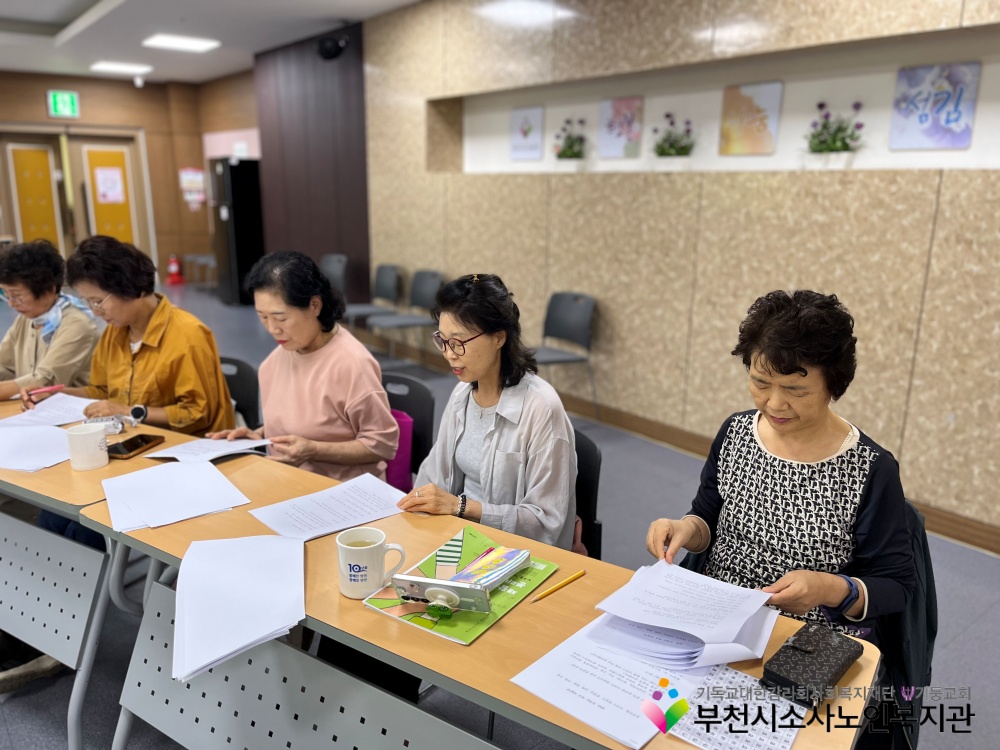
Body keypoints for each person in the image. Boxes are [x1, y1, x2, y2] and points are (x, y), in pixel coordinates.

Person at [646, 290, 915, 645]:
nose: (774, 403)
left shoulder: (870, 468)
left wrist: (826, 588)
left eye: (795, 390)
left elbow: (896, 586)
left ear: (833, 385)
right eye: (760, 383)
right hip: (717, 613)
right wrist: (683, 528)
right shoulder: (737, 432)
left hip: (808, 635)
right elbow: (707, 517)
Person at [23, 235, 234, 548]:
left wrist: (130, 412)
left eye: (98, 300)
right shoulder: (115, 334)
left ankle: (87, 588)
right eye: (88, 302)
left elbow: (197, 414)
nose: (95, 311)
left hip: (184, 457)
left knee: (86, 519)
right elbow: (101, 391)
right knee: (56, 509)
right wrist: (55, 393)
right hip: (131, 449)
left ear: (128, 286)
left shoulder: (187, 335)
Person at [398, 273, 577, 549]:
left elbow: (544, 522)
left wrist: (462, 507)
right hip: (460, 536)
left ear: (498, 338)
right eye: (442, 340)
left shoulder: (541, 408)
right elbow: (433, 477)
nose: (449, 354)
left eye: (458, 342)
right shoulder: (463, 393)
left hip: (516, 553)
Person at [208, 251, 398, 480]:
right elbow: (295, 424)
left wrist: (315, 450)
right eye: (262, 317)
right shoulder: (276, 359)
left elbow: (383, 445)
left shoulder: (352, 364)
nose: (272, 329)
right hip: (288, 482)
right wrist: (258, 436)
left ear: (314, 305)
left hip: (343, 494)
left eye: (281, 318)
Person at [0, 240, 98, 401]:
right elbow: (5, 366)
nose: (11, 303)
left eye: (17, 295)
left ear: (49, 289)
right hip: (31, 407)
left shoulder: (77, 324)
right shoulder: (25, 319)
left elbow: (44, 381)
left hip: (71, 413)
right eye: (7, 295)